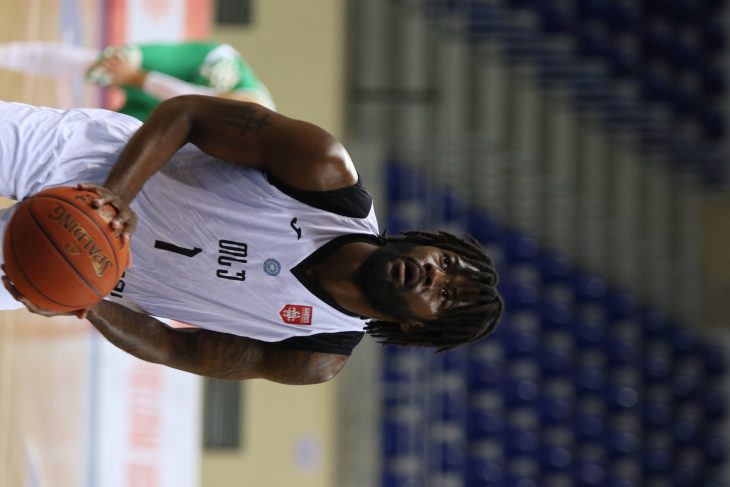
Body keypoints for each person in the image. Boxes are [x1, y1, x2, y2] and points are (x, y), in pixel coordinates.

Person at [0, 96, 503, 385]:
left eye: (445, 295)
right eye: (444, 262)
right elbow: (186, 115)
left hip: (70, 260)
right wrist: (113, 198)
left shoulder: (313, 355)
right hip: (80, 157)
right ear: (429, 243)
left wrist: (87, 303)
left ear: (414, 327)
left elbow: (174, 348)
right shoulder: (324, 171)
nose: (433, 274)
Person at [0, 40, 275, 119]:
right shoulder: (252, 111)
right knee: (107, 65)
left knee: (107, 134)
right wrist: (133, 76)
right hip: (198, 72)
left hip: (186, 111)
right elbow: (190, 97)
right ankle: (7, 54)